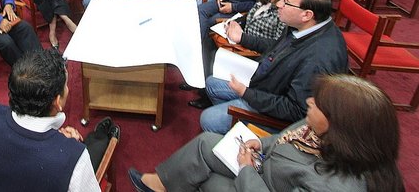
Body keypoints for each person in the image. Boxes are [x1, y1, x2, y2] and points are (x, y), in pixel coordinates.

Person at [128, 74, 405, 192]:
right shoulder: (316, 128)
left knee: (207, 180)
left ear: (341, 125)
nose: (309, 102)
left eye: (317, 103)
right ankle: (161, 182)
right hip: (262, 166)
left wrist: (246, 170)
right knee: (206, 144)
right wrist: (261, 142)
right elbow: (284, 136)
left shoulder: (336, 187)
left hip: (260, 182)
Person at [193, 0, 349, 134]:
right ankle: (236, 126)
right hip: (266, 85)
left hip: (273, 107)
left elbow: (295, 111)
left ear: (307, 14)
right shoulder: (306, 27)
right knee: (211, 83)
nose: (279, 4)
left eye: (286, 2)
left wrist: (246, 94)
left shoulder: (318, 60)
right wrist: (242, 38)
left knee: (208, 119)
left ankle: (244, 132)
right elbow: (276, 46)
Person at [0, 49, 120, 191]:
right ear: (57, 101)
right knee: (95, 147)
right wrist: (67, 148)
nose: (68, 89)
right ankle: (106, 136)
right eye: (66, 86)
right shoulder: (72, 156)